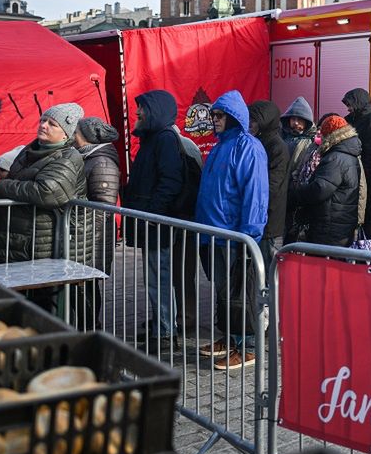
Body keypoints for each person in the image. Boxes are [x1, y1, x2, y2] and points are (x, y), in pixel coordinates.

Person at [195, 90, 268, 370]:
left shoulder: (248, 146)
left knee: (241, 295)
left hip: (233, 236)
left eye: (220, 115)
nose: (215, 120)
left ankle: (247, 346)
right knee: (225, 293)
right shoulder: (219, 146)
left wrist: (248, 235)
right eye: (214, 115)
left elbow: (255, 194)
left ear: (234, 116)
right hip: (212, 234)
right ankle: (229, 338)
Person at [0, 103, 88, 313]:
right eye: (43, 120)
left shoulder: (68, 157)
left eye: (52, 124)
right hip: (15, 237)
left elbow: (47, 192)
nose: (44, 126)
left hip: (39, 242)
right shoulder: (30, 149)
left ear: (65, 134)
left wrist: (4, 186)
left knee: (37, 307)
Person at [122, 90, 195, 347]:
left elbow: (170, 181)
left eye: (142, 107)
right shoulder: (153, 139)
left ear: (155, 110)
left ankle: (164, 332)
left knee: (159, 277)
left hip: (156, 222)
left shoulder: (164, 139)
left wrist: (153, 212)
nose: (137, 112)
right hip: (151, 220)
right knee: (154, 277)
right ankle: (160, 325)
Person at [287, 114, 365, 247]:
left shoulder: (335, 158)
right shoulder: (348, 155)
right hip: (339, 223)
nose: (320, 136)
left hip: (329, 225)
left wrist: (295, 192)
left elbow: (319, 190)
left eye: (322, 133)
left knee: (322, 264)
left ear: (330, 135)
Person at [73, 116, 121, 329]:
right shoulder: (88, 157)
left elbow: (103, 205)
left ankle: (91, 328)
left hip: (93, 236)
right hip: (85, 233)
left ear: (86, 137)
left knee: (87, 286)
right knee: (81, 286)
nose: (72, 135)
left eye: (76, 132)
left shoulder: (102, 162)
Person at [249, 100, 290, 262]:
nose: (250, 124)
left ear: (264, 122)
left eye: (254, 121)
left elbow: (273, 187)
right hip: (256, 220)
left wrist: (257, 211)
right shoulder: (257, 142)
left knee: (268, 272)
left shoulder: (277, 147)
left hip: (270, 223)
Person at [341, 88, 371, 223]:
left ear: (359, 103)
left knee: (365, 212)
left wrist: (363, 176)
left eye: (350, 105)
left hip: (366, 178)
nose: (348, 108)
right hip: (351, 175)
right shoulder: (350, 120)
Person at [280, 97, 316, 172]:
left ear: (306, 121)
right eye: (293, 119)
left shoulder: (313, 140)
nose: (296, 123)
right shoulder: (281, 136)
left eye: (299, 119)